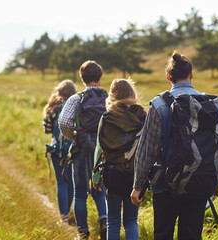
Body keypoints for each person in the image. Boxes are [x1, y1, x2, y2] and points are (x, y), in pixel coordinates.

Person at [130, 51, 209, 240]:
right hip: (199, 181)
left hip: (166, 184)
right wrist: (215, 180)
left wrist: (137, 185)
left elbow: (147, 149)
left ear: (168, 77)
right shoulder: (207, 102)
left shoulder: (159, 105)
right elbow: (215, 143)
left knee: (163, 235)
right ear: (191, 75)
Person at [59, 60, 107, 239]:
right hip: (102, 151)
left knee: (80, 193)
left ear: (81, 77)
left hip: (81, 150)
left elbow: (63, 122)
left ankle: (83, 232)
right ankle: (104, 221)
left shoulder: (76, 98)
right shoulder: (108, 97)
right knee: (100, 190)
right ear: (100, 77)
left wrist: (75, 137)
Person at [93, 79, 146, 240]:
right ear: (133, 94)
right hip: (135, 176)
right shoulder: (144, 115)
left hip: (112, 173)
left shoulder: (107, 116)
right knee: (131, 221)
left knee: (113, 221)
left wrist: (96, 176)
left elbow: (99, 149)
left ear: (112, 95)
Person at [42, 79, 77, 224]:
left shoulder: (52, 107)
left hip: (56, 149)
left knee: (61, 183)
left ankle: (63, 216)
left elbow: (47, 130)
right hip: (73, 149)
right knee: (71, 183)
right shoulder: (76, 106)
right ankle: (69, 212)